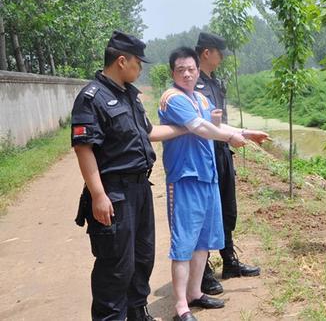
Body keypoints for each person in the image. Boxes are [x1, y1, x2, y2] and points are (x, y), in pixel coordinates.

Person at [71, 31, 185, 321]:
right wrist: (98, 195)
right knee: (116, 266)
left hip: (140, 190)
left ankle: (137, 313)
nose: (141, 68)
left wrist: (189, 127)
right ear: (122, 61)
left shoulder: (131, 96)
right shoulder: (92, 98)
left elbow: (148, 133)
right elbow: (84, 148)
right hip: (114, 194)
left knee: (142, 257)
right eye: (138, 62)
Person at [158, 47, 267, 321]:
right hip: (185, 178)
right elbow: (201, 128)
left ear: (198, 70)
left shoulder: (201, 99)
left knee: (203, 241)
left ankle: (195, 293)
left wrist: (244, 133)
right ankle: (181, 305)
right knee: (184, 243)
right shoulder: (173, 98)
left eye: (191, 69)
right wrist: (229, 138)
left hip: (207, 177)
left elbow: (217, 126)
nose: (186, 73)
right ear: (173, 73)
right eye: (180, 69)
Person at [194, 32, 265, 295]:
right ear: (206, 53)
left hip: (223, 152)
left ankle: (229, 261)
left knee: (227, 208)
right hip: (205, 156)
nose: (222, 58)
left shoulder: (215, 82)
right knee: (206, 213)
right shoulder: (194, 85)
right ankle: (203, 272)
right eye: (219, 53)